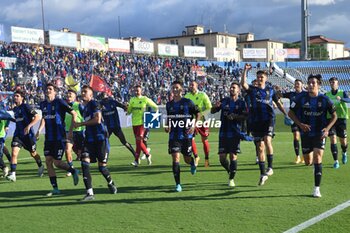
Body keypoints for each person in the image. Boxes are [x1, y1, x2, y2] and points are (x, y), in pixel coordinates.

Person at [288, 74, 337, 197]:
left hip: (319, 133)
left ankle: (316, 188)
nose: (310, 85)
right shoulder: (301, 98)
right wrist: (300, 124)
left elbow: (334, 116)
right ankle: (314, 167)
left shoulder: (325, 99)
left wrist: (327, 129)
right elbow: (290, 113)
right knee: (308, 162)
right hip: (305, 134)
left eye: (313, 83)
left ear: (318, 85)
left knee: (317, 158)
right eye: (309, 82)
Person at [241, 64, 290, 186]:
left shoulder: (271, 90)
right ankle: (263, 174)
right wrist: (245, 70)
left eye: (262, 77)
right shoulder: (252, 89)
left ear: (266, 78)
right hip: (256, 121)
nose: (259, 79)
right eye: (258, 77)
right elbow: (243, 84)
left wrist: (285, 114)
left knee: (267, 140)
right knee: (260, 147)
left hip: (268, 119)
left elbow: (278, 103)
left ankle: (271, 167)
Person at [73, 85, 117, 201]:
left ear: (91, 95)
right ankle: (89, 193)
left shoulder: (94, 104)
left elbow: (97, 120)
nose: (83, 94)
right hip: (89, 140)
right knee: (84, 163)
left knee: (102, 168)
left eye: (85, 92)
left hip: (101, 139)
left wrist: (81, 124)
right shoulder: (85, 108)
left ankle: (110, 182)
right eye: (82, 92)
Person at [36, 83, 79, 196]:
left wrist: (70, 130)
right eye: (47, 89)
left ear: (55, 92)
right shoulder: (43, 104)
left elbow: (74, 113)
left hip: (59, 137)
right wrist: (39, 130)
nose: (48, 90)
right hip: (48, 138)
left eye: (50, 89)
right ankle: (55, 188)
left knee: (57, 163)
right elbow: (44, 118)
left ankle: (73, 171)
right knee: (48, 161)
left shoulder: (59, 102)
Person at [211, 82, 249, 187]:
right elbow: (213, 111)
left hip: (235, 132)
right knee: (222, 158)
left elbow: (245, 116)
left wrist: (235, 116)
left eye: (234, 88)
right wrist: (215, 106)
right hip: (223, 132)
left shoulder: (242, 103)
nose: (232, 89)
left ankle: (231, 179)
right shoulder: (224, 101)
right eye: (231, 87)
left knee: (233, 155)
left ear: (238, 91)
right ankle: (230, 171)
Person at [165, 80, 200, 192]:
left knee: (186, 159)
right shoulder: (169, 104)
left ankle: (192, 163)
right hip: (174, 136)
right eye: (173, 88)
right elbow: (169, 117)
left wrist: (194, 124)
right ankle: (178, 184)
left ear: (181, 90)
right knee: (176, 158)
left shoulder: (188, 102)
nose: (175, 90)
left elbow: (198, 113)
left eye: (177, 88)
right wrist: (167, 125)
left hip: (186, 136)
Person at [6, 90, 45, 182]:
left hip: (28, 136)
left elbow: (37, 117)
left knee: (33, 153)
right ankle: (13, 174)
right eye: (14, 96)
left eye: (17, 96)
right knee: (14, 153)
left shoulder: (26, 107)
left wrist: (29, 126)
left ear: (22, 98)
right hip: (18, 135)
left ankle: (40, 165)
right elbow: (17, 120)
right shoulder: (15, 109)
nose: (15, 97)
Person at [127, 84, 158, 167]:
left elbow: (155, 106)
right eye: (135, 90)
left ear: (141, 91)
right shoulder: (132, 100)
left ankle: (137, 160)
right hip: (134, 123)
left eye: (138, 90)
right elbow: (129, 111)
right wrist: (127, 109)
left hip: (142, 123)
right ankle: (147, 155)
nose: (136, 92)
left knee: (139, 141)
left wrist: (152, 117)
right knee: (138, 143)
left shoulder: (145, 99)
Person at [99, 92, 137, 160]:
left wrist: (126, 107)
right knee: (104, 142)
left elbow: (123, 106)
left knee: (124, 142)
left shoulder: (113, 102)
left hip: (116, 127)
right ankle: (103, 158)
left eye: (106, 98)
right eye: (103, 98)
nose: (105, 100)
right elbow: (97, 113)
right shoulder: (100, 104)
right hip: (108, 128)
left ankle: (135, 154)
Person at [184, 80, 212, 167]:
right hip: (191, 121)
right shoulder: (187, 96)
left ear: (197, 86)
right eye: (190, 85)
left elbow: (209, 107)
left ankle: (207, 158)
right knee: (190, 139)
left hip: (202, 121)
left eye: (193, 85)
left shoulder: (202, 95)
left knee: (204, 140)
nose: (191, 86)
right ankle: (196, 156)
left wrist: (201, 115)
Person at [325, 77, 350, 168]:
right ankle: (336, 161)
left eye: (334, 82)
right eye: (331, 82)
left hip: (341, 119)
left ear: (337, 83)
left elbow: (349, 100)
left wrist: (342, 99)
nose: (332, 83)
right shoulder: (326, 94)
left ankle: (344, 153)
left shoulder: (343, 92)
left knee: (343, 141)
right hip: (331, 119)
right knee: (333, 139)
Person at [280, 79, 306, 164]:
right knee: (296, 137)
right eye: (295, 84)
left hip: (304, 119)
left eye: (298, 83)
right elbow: (279, 95)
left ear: (302, 85)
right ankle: (297, 156)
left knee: (304, 138)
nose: (297, 85)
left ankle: (304, 156)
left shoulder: (306, 94)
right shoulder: (291, 94)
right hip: (294, 119)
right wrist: (277, 92)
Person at [64, 89, 84, 176]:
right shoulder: (63, 106)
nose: (68, 96)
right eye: (67, 95)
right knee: (67, 150)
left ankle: (85, 167)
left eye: (70, 94)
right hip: (68, 132)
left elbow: (86, 115)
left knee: (83, 152)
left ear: (75, 96)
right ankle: (71, 168)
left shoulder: (78, 105)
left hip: (79, 131)